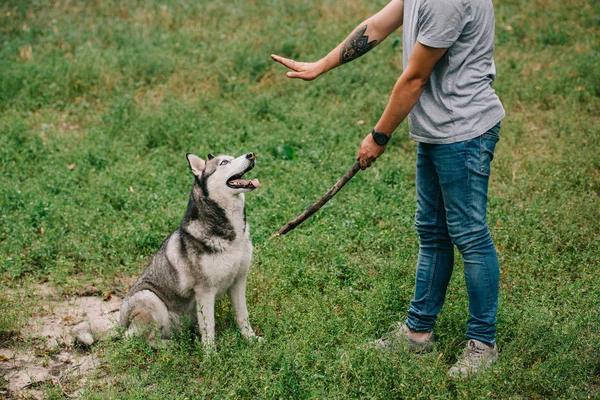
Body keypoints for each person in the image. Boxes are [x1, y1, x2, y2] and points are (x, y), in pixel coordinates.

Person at [271, 0, 505, 378]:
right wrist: (320, 65)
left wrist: (379, 135)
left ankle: (482, 343)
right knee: (432, 232)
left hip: (463, 132)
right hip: (437, 129)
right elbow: (376, 26)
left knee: (469, 234)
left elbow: (415, 78)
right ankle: (417, 332)